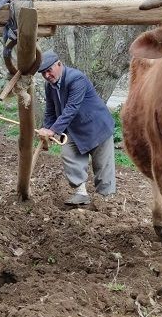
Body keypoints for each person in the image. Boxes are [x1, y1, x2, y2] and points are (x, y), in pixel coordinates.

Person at [35, 50, 116, 206]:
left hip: (97, 127)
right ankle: (81, 193)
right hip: (74, 129)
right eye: (43, 73)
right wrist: (45, 130)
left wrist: (54, 130)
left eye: (49, 70)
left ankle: (106, 201)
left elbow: (72, 108)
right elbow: (50, 111)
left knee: (103, 165)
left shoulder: (76, 78)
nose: (47, 75)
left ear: (59, 64)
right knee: (68, 154)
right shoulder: (49, 86)